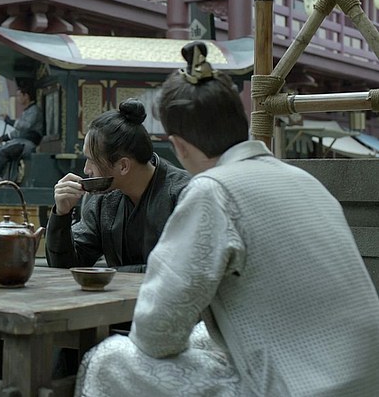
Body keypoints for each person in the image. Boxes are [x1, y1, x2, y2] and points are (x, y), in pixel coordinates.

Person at [75, 42, 379, 396]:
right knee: (202, 337)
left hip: (298, 388)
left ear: (179, 146)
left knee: (110, 359)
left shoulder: (213, 191)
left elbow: (155, 335)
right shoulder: (304, 181)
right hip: (365, 378)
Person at [46, 98, 190, 273]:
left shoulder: (184, 194)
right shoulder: (105, 199)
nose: (86, 169)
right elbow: (66, 266)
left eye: (92, 161)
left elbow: (180, 269)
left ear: (123, 166)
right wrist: (61, 215)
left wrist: (113, 273)